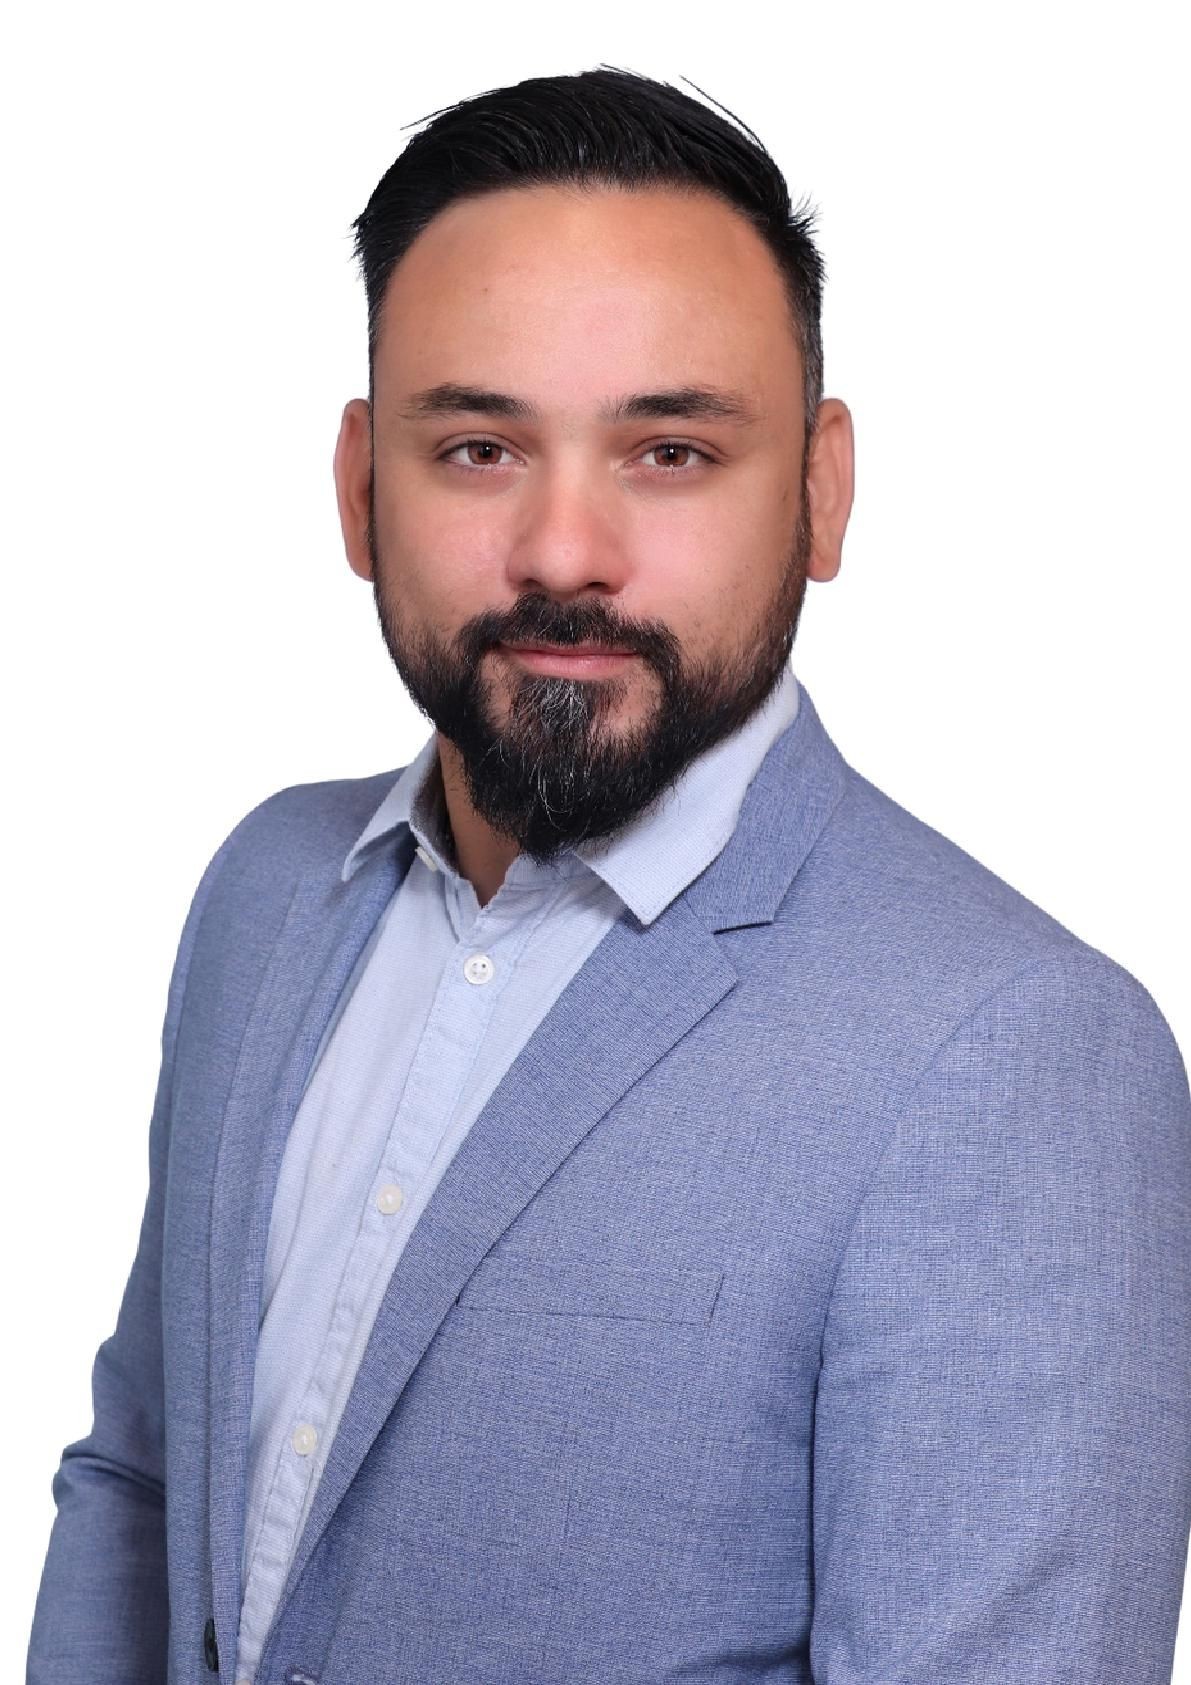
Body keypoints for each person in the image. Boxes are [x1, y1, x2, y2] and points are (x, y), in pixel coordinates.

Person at [26, 64, 1191, 1685]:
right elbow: (143, 1491)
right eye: (482, 447)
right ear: (362, 484)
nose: (565, 550)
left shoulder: (1016, 1054)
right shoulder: (264, 890)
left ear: (822, 487)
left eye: (669, 452)